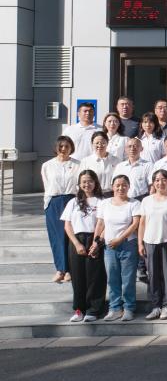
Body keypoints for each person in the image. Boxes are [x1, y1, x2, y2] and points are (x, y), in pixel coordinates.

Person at [97, 175, 142, 321]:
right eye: (117, 185)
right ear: (112, 187)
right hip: (110, 246)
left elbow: (135, 225)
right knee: (112, 278)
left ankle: (129, 307)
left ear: (129, 187)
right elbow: (100, 224)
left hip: (128, 245)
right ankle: (115, 308)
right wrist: (96, 241)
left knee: (128, 279)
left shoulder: (134, 203)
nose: (120, 188)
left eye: (124, 185)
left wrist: (120, 239)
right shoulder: (105, 203)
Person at [139, 169, 167, 320]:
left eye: (164, 180)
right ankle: (155, 306)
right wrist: (140, 243)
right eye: (157, 180)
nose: (160, 183)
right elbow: (142, 223)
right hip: (149, 242)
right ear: (153, 183)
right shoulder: (146, 200)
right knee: (153, 275)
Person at [62, 170, 104, 322]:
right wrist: (76, 243)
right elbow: (67, 225)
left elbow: (103, 223)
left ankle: (93, 310)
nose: (87, 184)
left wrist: (96, 243)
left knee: (95, 276)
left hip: (95, 239)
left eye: (90, 181)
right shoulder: (73, 202)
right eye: (84, 182)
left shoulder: (102, 201)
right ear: (79, 184)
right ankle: (79, 309)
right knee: (78, 276)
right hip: (77, 240)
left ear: (95, 183)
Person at [42, 136, 81, 283]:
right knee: (56, 237)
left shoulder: (78, 164)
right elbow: (47, 185)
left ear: (71, 148)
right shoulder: (47, 165)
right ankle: (60, 269)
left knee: (69, 236)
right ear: (56, 147)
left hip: (71, 200)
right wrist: (47, 205)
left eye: (67, 146)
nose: (63, 149)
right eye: (61, 146)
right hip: (54, 202)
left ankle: (70, 270)